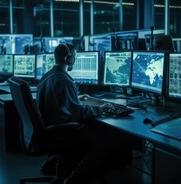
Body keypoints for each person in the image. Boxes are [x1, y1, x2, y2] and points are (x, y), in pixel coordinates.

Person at [37, 43, 119, 184]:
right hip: (63, 130)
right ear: (68, 59)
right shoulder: (64, 80)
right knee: (104, 140)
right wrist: (101, 108)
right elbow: (77, 114)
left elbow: (60, 103)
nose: (74, 59)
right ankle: (74, 179)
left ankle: (60, 165)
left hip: (50, 128)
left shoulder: (46, 77)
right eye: (74, 56)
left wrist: (76, 99)